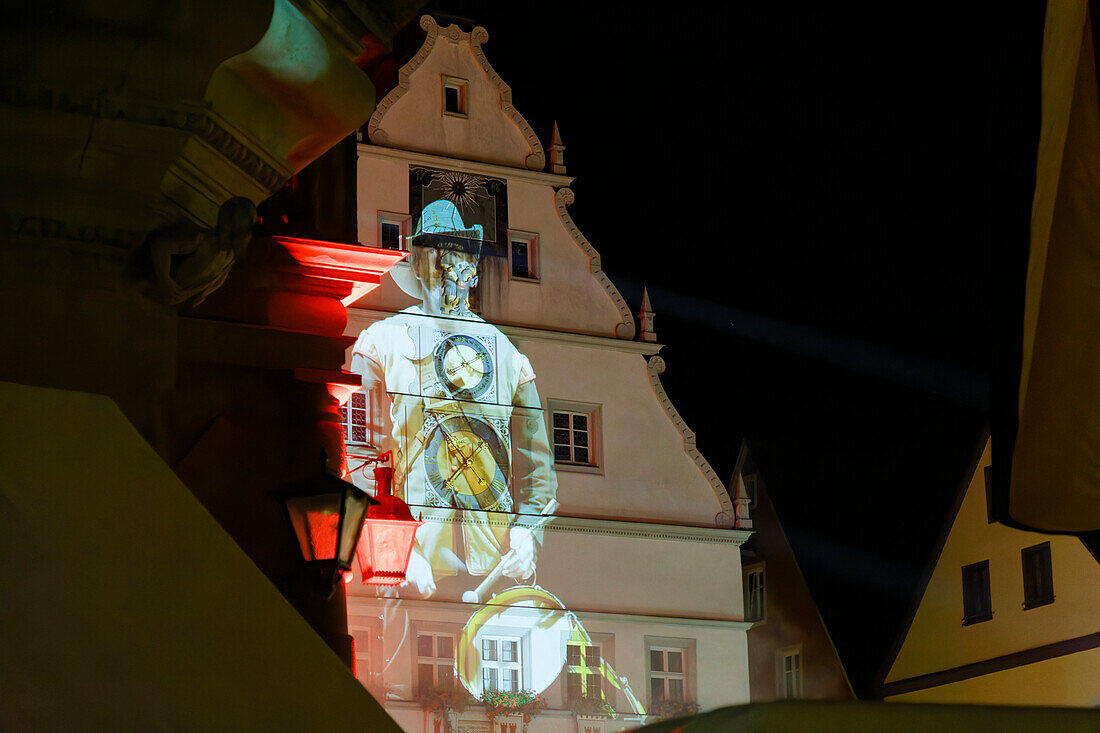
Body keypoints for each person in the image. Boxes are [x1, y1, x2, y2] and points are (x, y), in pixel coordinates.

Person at [349, 199, 557, 600]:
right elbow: (358, 453)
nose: (448, 266)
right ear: (419, 265)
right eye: (436, 253)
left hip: (497, 577)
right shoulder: (380, 343)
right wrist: (399, 548)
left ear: (472, 268)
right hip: (412, 570)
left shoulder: (509, 357)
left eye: (457, 253)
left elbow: (538, 470)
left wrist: (528, 534)